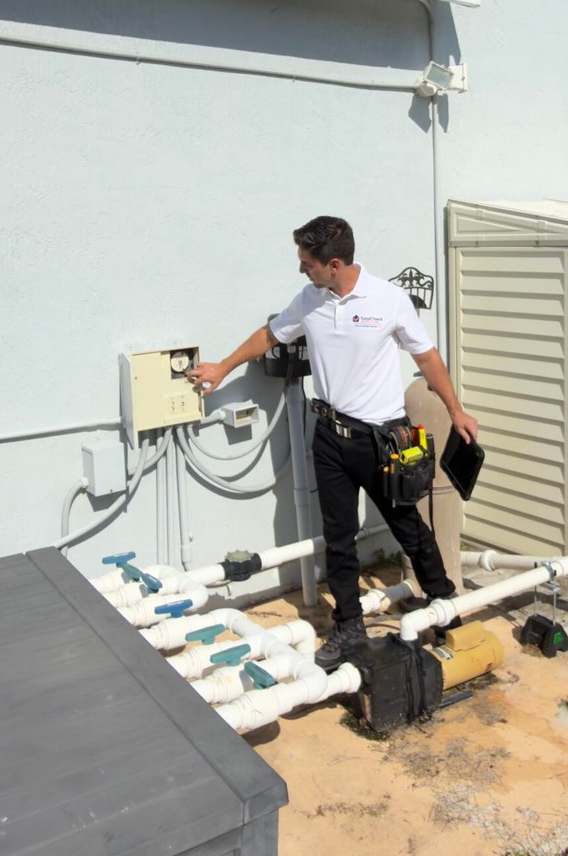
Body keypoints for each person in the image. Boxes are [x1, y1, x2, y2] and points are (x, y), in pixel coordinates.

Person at [188, 215, 479, 670]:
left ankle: (445, 607)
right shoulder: (310, 299)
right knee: (339, 539)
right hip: (328, 437)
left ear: (334, 262)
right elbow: (271, 334)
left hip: (384, 441)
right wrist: (222, 367)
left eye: (307, 264)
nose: (302, 270)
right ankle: (348, 629)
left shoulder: (389, 300)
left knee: (409, 530)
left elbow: (426, 355)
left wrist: (456, 410)